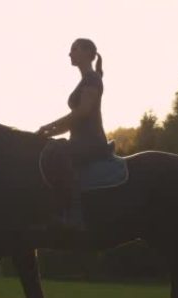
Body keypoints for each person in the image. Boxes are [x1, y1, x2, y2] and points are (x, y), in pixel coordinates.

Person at [37, 38, 109, 231]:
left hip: (92, 142)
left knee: (56, 152)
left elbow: (83, 111)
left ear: (87, 53)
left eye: (74, 49)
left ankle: (75, 215)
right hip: (79, 140)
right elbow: (75, 121)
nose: (70, 53)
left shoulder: (92, 79)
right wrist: (49, 132)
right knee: (50, 146)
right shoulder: (85, 80)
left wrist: (50, 125)